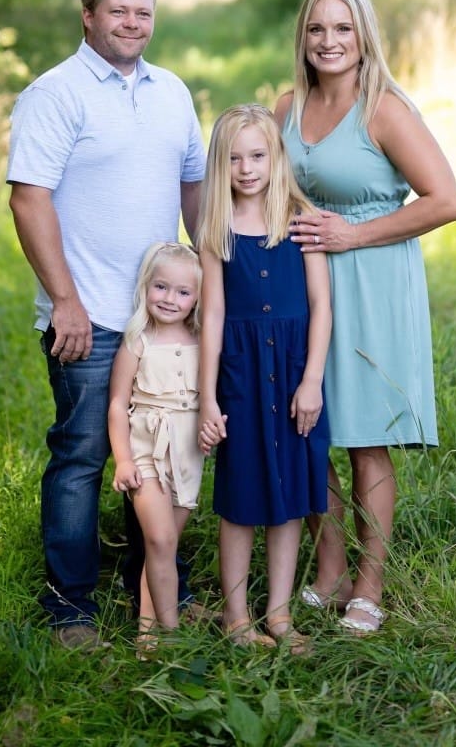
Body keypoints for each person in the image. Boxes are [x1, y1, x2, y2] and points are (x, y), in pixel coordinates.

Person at [6, 0, 206, 650]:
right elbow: (27, 198)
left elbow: (193, 190)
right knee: (85, 455)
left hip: (167, 318)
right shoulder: (53, 94)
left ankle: (155, 587)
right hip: (88, 318)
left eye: (143, 12)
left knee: (166, 450)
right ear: (87, 15)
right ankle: (71, 608)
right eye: (118, 11)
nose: (132, 23)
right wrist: (64, 300)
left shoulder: (172, 93)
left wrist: (213, 278)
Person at [274, 0, 456, 636]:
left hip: (372, 279)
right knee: (310, 427)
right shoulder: (285, 107)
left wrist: (351, 234)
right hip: (304, 285)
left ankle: (370, 584)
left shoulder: (382, 109)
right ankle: (329, 569)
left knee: (363, 438)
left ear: (363, 39)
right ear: (302, 36)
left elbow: (444, 199)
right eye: (316, 29)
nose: (328, 42)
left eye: (342, 30)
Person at [198, 104, 332, 654]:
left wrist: (313, 380)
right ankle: (236, 617)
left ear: (276, 157)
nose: (247, 168)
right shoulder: (216, 229)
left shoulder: (300, 219)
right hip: (243, 377)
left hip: (294, 374)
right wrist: (207, 397)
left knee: (290, 497)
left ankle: (278, 613)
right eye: (234, 158)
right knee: (242, 494)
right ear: (220, 166)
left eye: (257, 155)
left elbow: (322, 306)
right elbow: (211, 316)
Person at [107, 242, 204, 659]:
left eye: (183, 292)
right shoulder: (137, 339)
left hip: (188, 452)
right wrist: (123, 459)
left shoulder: (202, 338)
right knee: (161, 538)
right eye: (161, 287)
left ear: (198, 298)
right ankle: (172, 631)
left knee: (162, 548)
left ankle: (147, 633)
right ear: (146, 286)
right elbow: (116, 403)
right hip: (147, 447)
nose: (170, 299)